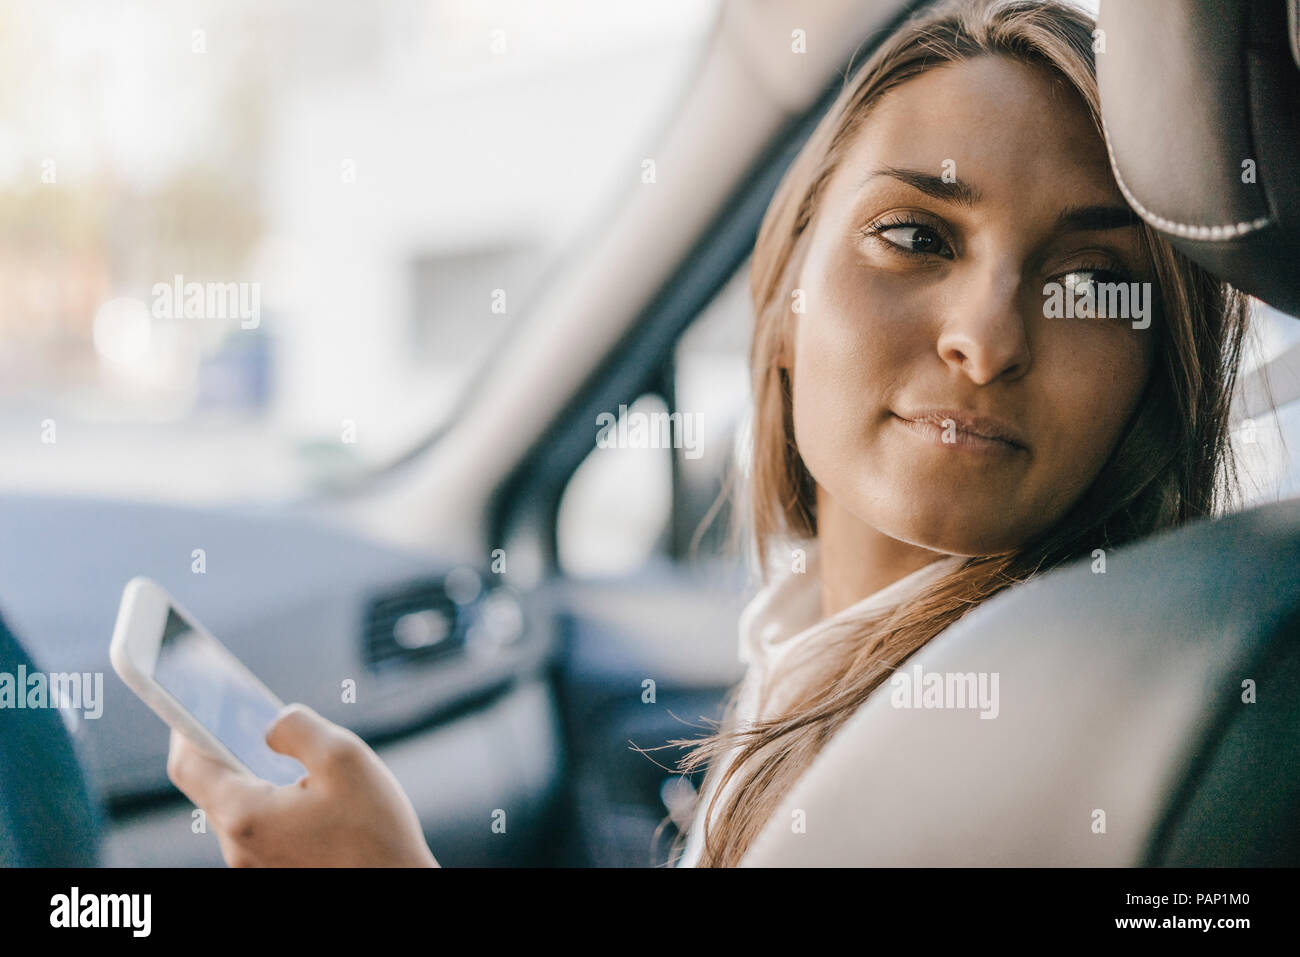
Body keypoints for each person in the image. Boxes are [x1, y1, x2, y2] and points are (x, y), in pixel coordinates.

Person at [166, 0, 1252, 868]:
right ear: (782, 306)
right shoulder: (819, 657)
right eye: (915, 235)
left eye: (1090, 280)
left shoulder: (1009, 752)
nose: (986, 336)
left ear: (1152, 377)